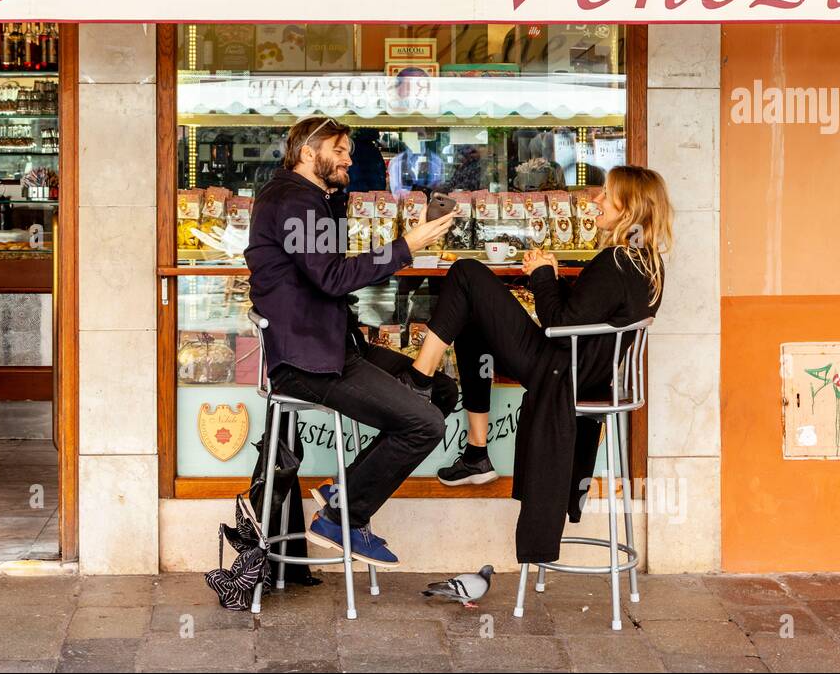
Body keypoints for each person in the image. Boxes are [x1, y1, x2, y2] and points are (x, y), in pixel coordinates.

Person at [408, 165, 673, 564]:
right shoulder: (644, 262)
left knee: (465, 273)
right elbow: (587, 313)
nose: (595, 200)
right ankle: (477, 453)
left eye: (606, 195)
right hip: (585, 374)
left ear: (629, 205)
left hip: (560, 371)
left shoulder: (616, 260)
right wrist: (550, 276)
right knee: (474, 317)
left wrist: (542, 274)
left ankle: (418, 381)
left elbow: (560, 324)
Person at [245, 115, 458, 568]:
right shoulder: (296, 202)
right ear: (308, 153)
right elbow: (332, 278)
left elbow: (325, 269)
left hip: (334, 348)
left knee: (441, 390)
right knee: (425, 424)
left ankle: (344, 489)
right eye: (339, 150)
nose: (349, 158)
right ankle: (344, 514)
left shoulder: (309, 199)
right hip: (309, 362)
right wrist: (407, 245)